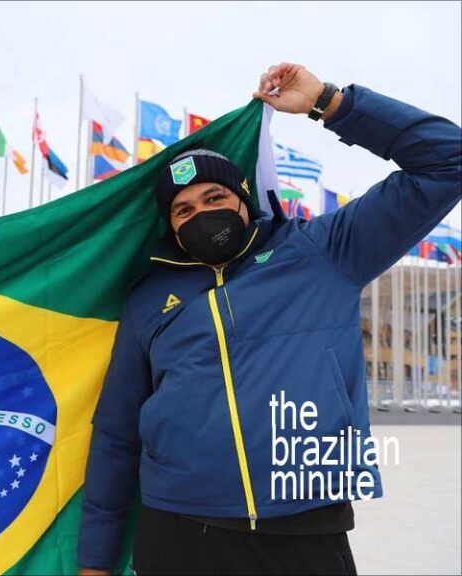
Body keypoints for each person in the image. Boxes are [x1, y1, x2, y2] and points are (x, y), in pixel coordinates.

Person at [78, 63, 461, 575]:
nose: (200, 214)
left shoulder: (323, 252)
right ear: (169, 226)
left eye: (214, 198)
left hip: (303, 529)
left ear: (244, 199)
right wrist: (96, 562)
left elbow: (448, 162)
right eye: (183, 210)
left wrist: (330, 102)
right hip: (177, 534)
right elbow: (117, 434)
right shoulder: (151, 297)